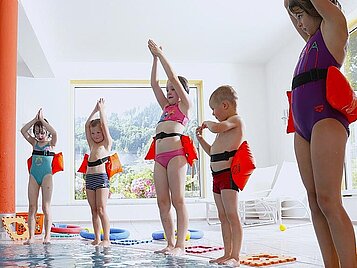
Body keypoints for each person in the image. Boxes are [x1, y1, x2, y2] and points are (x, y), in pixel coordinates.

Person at [284, 0, 357, 267]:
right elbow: (288, 8)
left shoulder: (334, 29)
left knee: (329, 200)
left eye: (301, 15)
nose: (299, 22)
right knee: (314, 201)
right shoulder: (310, 41)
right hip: (301, 123)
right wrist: (289, 7)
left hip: (325, 116)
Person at [147, 39, 192, 256]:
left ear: (183, 91)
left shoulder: (185, 106)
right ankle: (170, 243)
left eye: (173, 89)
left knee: (178, 199)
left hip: (176, 154)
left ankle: (181, 246)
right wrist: (154, 59)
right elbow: (154, 84)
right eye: (168, 90)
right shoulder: (166, 107)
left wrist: (161, 54)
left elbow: (172, 77)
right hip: (159, 157)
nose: (169, 90)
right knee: (162, 201)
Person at [196, 85, 243, 267]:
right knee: (223, 215)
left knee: (232, 214)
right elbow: (213, 152)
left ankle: (235, 256)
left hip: (228, 176)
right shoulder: (221, 130)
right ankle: (226, 253)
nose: (213, 114)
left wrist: (208, 124)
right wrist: (201, 141)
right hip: (216, 176)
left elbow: (217, 127)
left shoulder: (235, 121)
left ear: (224, 105)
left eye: (213, 109)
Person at [21, 108, 57, 244]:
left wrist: (42, 120)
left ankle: (47, 236)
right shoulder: (34, 143)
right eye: (37, 133)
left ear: (46, 132)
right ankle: (31, 237)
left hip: (47, 176)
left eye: (42, 132)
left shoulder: (51, 143)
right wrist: (35, 120)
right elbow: (23, 131)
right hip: (34, 176)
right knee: (32, 206)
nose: (40, 135)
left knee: (46, 206)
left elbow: (54, 132)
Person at [85, 98, 112, 247]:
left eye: (98, 132)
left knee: (101, 209)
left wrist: (101, 110)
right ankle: (97, 238)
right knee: (93, 210)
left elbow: (105, 125)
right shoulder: (92, 145)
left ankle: (106, 239)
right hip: (89, 178)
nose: (95, 135)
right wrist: (94, 110)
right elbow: (86, 126)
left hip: (101, 178)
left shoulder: (106, 144)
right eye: (93, 133)